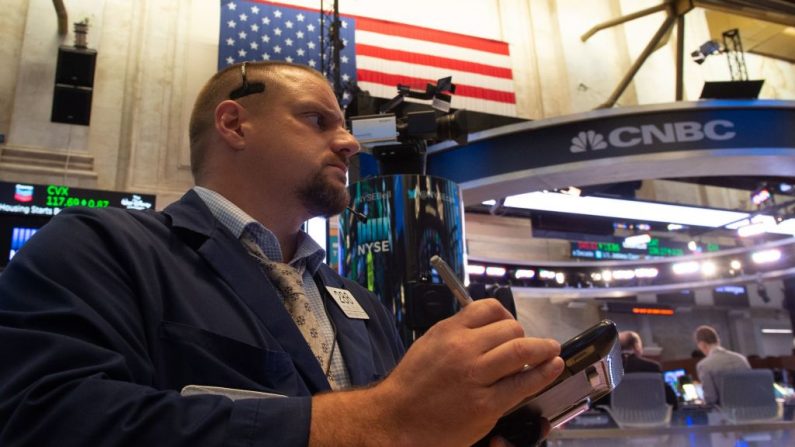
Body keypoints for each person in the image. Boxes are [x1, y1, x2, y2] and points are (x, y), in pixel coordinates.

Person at [0, 61, 564, 446]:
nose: (349, 143)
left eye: (344, 127)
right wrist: (382, 420)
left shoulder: (360, 304)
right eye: (317, 120)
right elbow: (43, 420)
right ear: (234, 124)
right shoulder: (100, 248)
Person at [693, 325, 751, 405]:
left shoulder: (704, 365)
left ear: (702, 344)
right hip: (750, 411)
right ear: (718, 341)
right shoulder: (741, 359)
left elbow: (711, 399)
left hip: (725, 414)